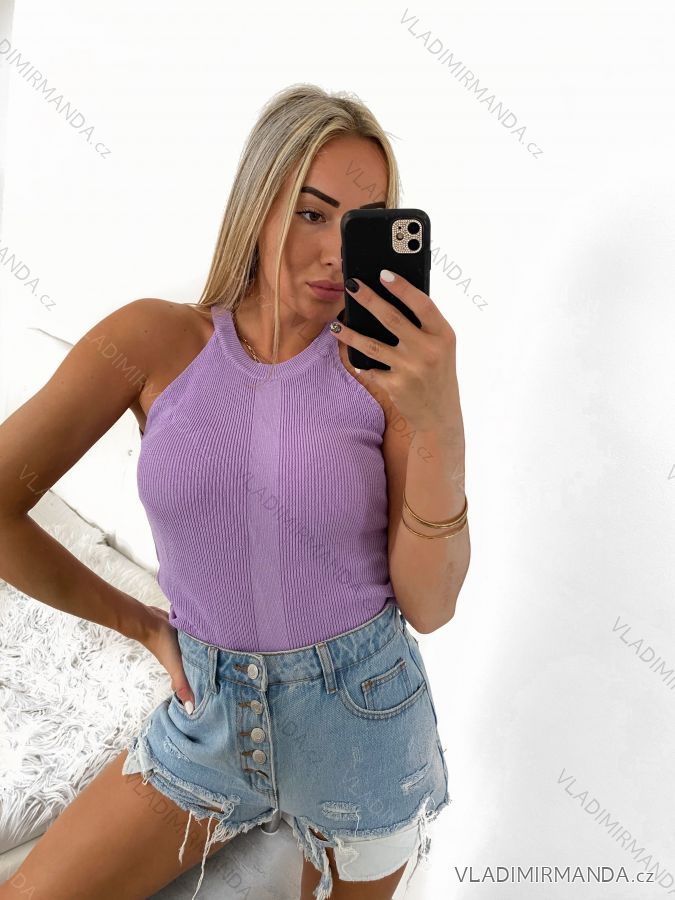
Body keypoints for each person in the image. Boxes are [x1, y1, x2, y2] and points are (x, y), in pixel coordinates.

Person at [0, 83, 470, 900]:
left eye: (359, 225)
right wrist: (141, 624)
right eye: (311, 214)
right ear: (258, 206)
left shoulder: (386, 375)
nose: (335, 254)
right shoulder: (154, 341)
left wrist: (440, 422)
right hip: (209, 718)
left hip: (362, 719)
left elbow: (429, 607)